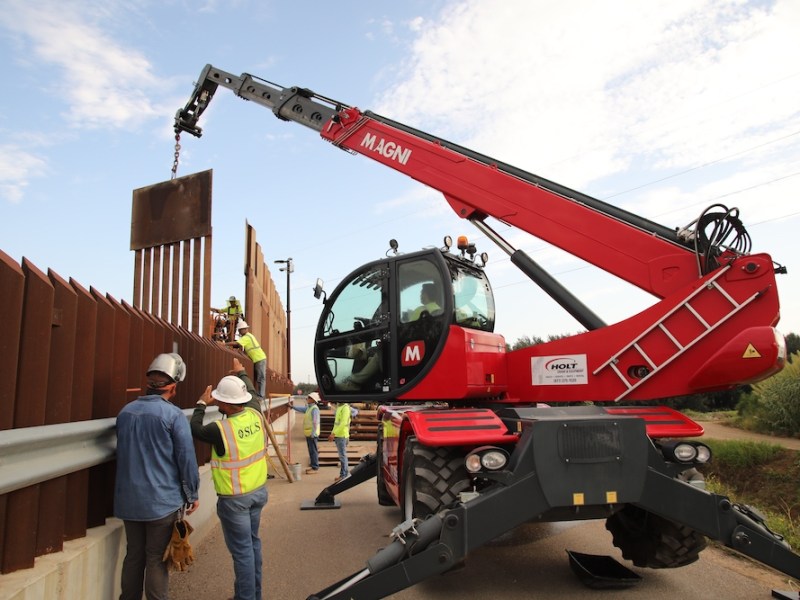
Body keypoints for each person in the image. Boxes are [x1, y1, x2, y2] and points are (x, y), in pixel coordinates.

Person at [114, 352, 200, 600]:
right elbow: (186, 459)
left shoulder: (125, 412)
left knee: (134, 555)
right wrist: (191, 493)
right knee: (156, 557)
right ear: (173, 386)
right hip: (161, 502)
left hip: (128, 500)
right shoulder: (173, 416)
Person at [191, 358, 268, 600]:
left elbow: (195, 429)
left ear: (224, 402)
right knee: (253, 545)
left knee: (243, 552)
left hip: (235, 499)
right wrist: (242, 372)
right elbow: (253, 392)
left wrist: (202, 404)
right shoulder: (255, 413)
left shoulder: (220, 429)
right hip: (258, 492)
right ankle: (254, 594)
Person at [226, 320, 267, 400]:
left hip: (259, 358)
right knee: (259, 378)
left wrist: (225, 344)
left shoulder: (247, 337)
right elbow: (238, 346)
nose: (240, 331)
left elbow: (237, 344)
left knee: (261, 378)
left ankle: (261, 396)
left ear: (245, 329)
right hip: (257, 359)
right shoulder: (248, 336)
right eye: (239, 330)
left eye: (241, 330)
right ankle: (260, 395)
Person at [288, 392, 321, 474]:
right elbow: (302, 409)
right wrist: (292, 407)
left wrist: (313, 433)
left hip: (312, 434)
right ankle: (314, 466)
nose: (307, 399)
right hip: (308, 433)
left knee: (313, 451)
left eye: (309, 398)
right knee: (311, 450)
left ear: (313, 400)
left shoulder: (314, 409)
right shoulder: (309, 408)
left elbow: (315, 422)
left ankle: (315, 467)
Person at [328, 401, 352, 481]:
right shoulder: (340, 407)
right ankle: (343, 474)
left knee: (342, 456)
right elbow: (336, 423)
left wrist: (333, 434)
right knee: (342, 456)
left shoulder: (345, 408)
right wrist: (332, 433)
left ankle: (343, 475)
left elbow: (343, 423)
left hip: (342, 435)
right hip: (339, 435)